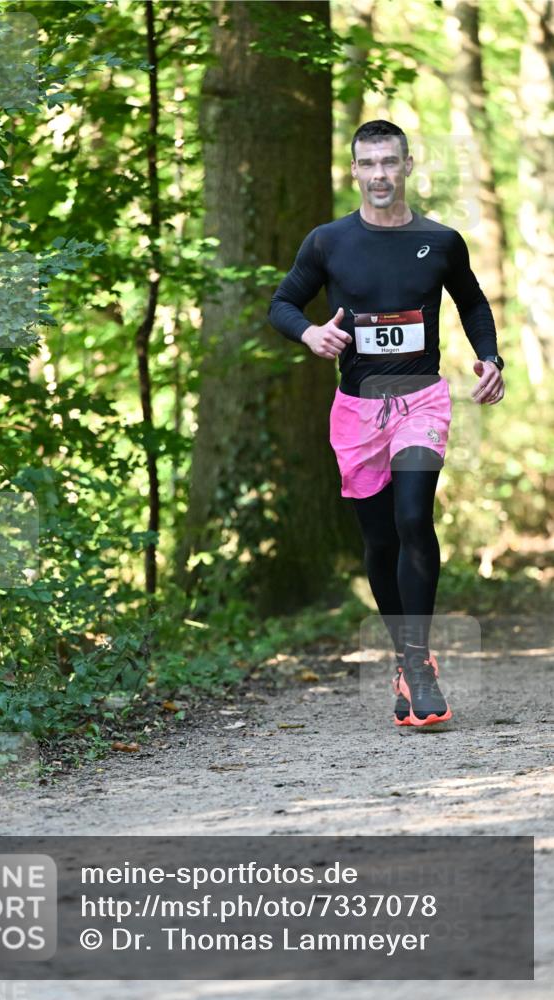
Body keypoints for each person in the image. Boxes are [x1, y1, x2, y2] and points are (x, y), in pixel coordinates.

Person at [267, 119, 504, 728]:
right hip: (357, 410)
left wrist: (490, 356)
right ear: (354, 171)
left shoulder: (441, 240)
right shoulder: (327, 242)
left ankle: (421, 667)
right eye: (368, 164)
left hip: (422, 400)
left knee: (411, 517)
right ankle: (403, 657)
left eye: (390, 163)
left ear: (407, 165)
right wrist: (311, 332)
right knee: (378, 540)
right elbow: (283, 304)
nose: (380, 175)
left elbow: (472, 302)